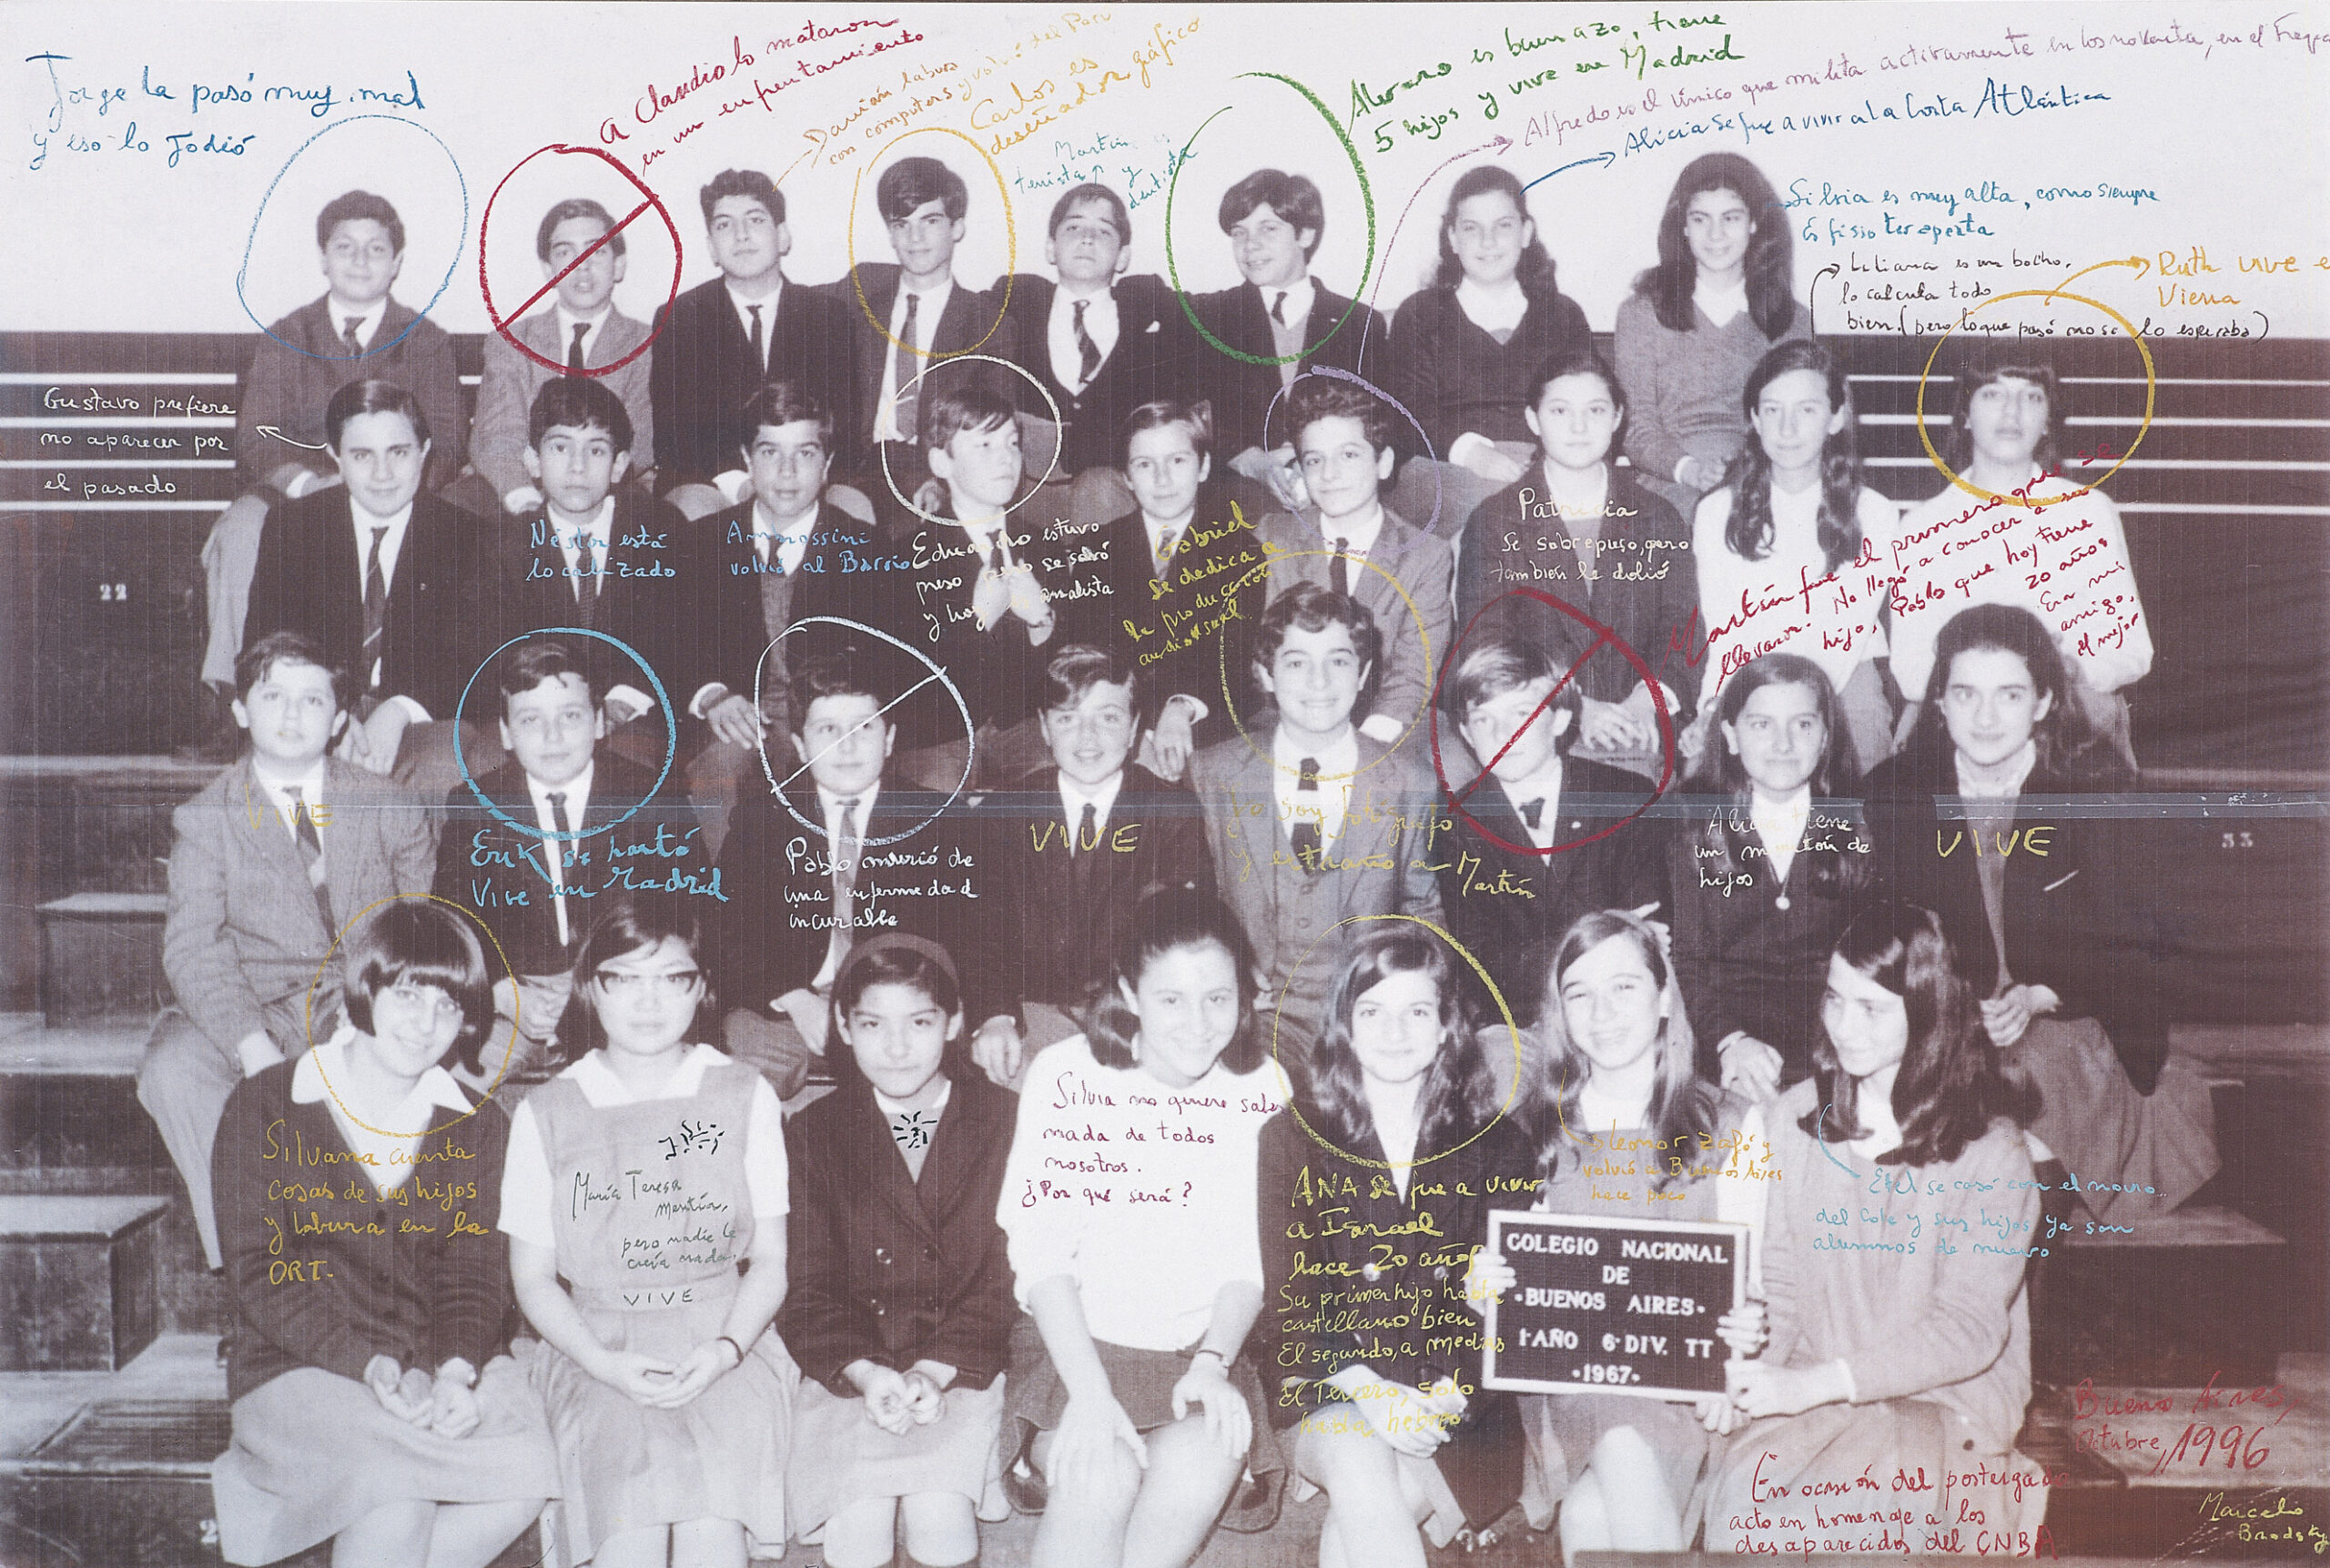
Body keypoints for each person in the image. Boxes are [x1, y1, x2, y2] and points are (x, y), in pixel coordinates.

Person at [209, 899, 555, 1568]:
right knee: (396, 1495)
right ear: (363, 988)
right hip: (300, 1364)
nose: (426, 1024)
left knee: (530, 1471)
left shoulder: (480, 1126)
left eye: (448, 1005)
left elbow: (474, 1276)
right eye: (407, 994)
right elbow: (261, 1273)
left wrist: (453, 1372)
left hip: (438, 1363)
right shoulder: (265, 1105)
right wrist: (371, 1364)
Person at [1703, 903, 2047, 1553]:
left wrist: (1816, 1385)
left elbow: (1967, 1328)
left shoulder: (1991, 1150)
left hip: (1943, 1400)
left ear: (1928, 1011)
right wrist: (1746, 1378)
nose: (1843, 1026)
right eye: (1835, 1000)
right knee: (1746, 1502)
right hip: (1812, 1395)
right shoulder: (1795, 1119)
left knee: (1871, 1502)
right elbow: (1780, 1284)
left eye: (1871, 1008)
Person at [1861, 604, 2219, 1218]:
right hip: (1944, 1016)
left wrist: (2038, 996)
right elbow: (1885, 929)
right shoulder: (1897, 790)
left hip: (2067, 1012)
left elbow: (2142, 945)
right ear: (1939, 702)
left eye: (2010, 694)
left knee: (2026, 1086)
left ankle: (2032, 1195)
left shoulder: (2097, 787)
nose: (1986, 717)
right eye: (1966, 693)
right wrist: (1951, 1002)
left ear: (2044, 701)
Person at [996, 888, 1292, 1568]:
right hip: (1077, 1348)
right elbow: (1041, 1256)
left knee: (1202, 1461)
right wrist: (1091, 1396)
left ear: (1246, 995)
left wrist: (1214, 1365)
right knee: (1098, 1481)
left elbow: (1250, 1262)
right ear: (1129, 991)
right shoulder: (1066, 1074)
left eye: (1218, 998)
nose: (1199, 1024)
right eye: (1171, 999)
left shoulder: (1264, 1087)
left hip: (1201, 1355)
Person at [502, 895, 796, 1568]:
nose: (648, 1000)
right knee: (628, 1531)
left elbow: (771, 1261)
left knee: (712, 1532)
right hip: (594, 1347)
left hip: (727, 1339)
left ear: (702, 987)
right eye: (624, 978)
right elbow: (533, 1278)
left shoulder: (745, 1093)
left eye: (672, 978)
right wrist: (602, 1363)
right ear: (590, 987)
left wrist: (724, 1350)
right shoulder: (546, 1110)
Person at [1469, 908, 1768, 1564]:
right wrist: (1486, 1291)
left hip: (1693, 1394)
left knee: (1590, 1517)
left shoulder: (1733, 1124)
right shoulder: (1533, 1131)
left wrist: (1743, 1335)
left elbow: (1752, 1281)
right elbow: (1525, 1294)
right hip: (1573, 1392)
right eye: (1579, 994)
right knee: (1622, 1441)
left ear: (1664, 997)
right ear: (1560, 1013)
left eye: (1623, 987)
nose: (1601, 1013)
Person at [139, 631, 434, 1270]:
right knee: (174, 1068)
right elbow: (193, 948)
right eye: (274, 697)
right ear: (241, 710)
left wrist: (375, 1014)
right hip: (263, 1009)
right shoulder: (206, 818)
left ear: (339, 719)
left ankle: (374, 1263)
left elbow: (423, 925)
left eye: (313, 699)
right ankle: (255, 1266)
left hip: (367, 1001)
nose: (293, 715)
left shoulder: (389, 803)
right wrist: (253, 1048)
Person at [1259, 926, 1529, 1566]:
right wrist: (1373, 1393)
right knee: (1359, 1460)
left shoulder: (1499, 1145)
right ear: (1345, 1027)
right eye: (1372, 1011)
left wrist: (1453, 1389)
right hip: (1330, 1381)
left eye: (1418, 1012)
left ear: (1446, 1028)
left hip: (1457, 1401)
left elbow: (1511, 1313)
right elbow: (1293, 1308)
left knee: (1354, 1529)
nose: (1395, 1031)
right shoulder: (1291, 1138)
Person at [781, 936, 1018, 1568]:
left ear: (955, 1022)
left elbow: (1008, 1279)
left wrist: (935, 1370)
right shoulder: (813, 1133)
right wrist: (865, 1372)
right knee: (858, 1529)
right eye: (872, 1024)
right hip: (853, 1366)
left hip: (965, 1361)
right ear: (842, 1026)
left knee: (941, 1517)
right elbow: (805, 1285)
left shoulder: (1005, 1121)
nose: (896, 1047)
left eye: (919, 1022)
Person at [198, 191, 466, 714]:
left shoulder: (426, 340)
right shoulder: (288, 335)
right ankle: (234, 698)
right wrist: (309, 484)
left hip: (394, 487)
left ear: (396, 262)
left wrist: (386, 487)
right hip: (303, 490)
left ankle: (406, 698)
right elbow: (257, 434)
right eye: (345, 247)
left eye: (376, 248)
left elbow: (450, 440)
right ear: (324, 258)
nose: (361, 260)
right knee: (242, 529)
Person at [711, 646, 1003, 1098]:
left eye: (864, 728)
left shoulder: (943, 820)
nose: (846, 746)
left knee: (954, 1085)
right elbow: (726, 933)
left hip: (901, 1016)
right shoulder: (761, 821)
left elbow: (981, 936)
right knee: (741, 1086)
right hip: (789, 1012)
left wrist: (997, 1016)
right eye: (827, 729)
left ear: (889, 740)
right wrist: (793, 996)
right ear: (800, 745)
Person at [1188, 584, 1446, 1068]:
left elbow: (1423, 910)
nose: (1319, 681)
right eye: (1296, 663)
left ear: (1363, 674)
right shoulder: (1212, 773)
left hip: (1364, 1022)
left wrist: (1407, 997)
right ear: (1265, 674)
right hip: (1250, 1019)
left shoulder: (1409, 782)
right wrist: (1224, 971)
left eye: (1339, 661)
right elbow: (1191, 901)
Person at [432, 639, 692, 1089]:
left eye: (570, 716)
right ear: (506, 733)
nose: (552, 737)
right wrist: (501, 990)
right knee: (446, 1087)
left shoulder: (653, 797)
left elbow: (689, 913)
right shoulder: (475, 804)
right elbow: (451, 919)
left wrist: (595, 986)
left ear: (598, 722)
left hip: (621, 994)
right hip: (515, 1000)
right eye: (530, 720)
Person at [1885, 349, 2153, 770]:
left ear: (2047, 421)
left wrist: (2063, 672)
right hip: (1961, 719)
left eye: (2031, 396)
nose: (2012, 411)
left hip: (2069, 713)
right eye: (1993, 394)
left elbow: (2131, 650)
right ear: (1965, 415)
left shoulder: (2089, 512)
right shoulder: (1922, 525)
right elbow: (1909, 665)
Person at [241, 379, 501, 794]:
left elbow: (475, 661)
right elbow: (266, 645)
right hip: (316, 711)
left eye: (398, 452)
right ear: (336, 458)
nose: (383, 474)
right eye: (362, 455)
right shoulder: (294, 528)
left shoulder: (467, 537)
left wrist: (398, 711)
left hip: (422, 716)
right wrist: (331, 714)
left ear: (424, 452)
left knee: (440, 768)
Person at [973, 643, 1216, 1088]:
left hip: (1134, 1020)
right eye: (1067, 719)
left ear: (1134, 728)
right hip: (1029, 1017)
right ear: (1044, 728)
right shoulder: (1004, 810)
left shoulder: (1171, 810)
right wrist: (996, 1017)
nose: (1087, 739)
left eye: (1108, 718)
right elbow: (985, 929)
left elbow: (1183, 935)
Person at [1454, 348, 1701, 756]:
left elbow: (1681, 627)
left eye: (1596, 410)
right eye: (1560, 411)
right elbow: (1487, 643)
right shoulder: (1494, 521)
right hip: (1536, 726)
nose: (1579, 427)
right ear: (1533, 420)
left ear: (1617, 418)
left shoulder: (1658, 517)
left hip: (1640, 725)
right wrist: (1576, 708)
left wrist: (1646, 702)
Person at [688, 380, 882, 855]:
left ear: (828, 465)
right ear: (747, 460)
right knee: (719, 771)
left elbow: (883, 662)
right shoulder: (700, 543)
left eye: (806, 454)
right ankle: (723, 900)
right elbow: (672, 643)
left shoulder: (867, 549)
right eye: (770, 452)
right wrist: (712, 694)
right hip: (737, 721)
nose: (787, 471)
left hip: (829, 724)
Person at [1669, 653, 1873, 1098]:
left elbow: (1868, 961)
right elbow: (1689, 959)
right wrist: (1731, 1042)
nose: (1783, 744)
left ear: (1826, 738)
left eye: (1803, 725)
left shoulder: (1860, 822)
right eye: (1762, 724)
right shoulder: (1691, 821)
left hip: (1835, 1039)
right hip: (1725, 1040)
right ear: (1731, 736)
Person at [1690, 340, 1898, 772]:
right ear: (1754, 419)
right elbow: (1723, 631)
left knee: (1864, 763)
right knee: (1700, 776)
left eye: (1806, 409)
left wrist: (1795, 713)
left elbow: (1844, 636)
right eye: (1772, 410)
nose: (1787, 429)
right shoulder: (1715, 511)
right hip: (1748, 675)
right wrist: (1712, 706)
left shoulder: (1874, 512)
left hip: (1843, 679)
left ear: (1835, 418)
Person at [1433, 635, 1666, 1014]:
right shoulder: (1458, 822)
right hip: (1522, 1018)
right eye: (1483, 719)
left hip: (1626, 1006)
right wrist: (1605, 938)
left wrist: (1544, 955)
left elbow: (1651, 932)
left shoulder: (1626, 797)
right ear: (1466, 734)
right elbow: (1481, 964)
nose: (1502, 734)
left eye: (1521, 713)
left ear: (1560, 719)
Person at [863, 381, 1076, 788]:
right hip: (937, 736)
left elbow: (1066, 671)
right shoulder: (905, 557)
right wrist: (977, 622)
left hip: (1022, 729)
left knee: (1053, 784)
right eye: (985, 445)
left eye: (1012, 444)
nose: (1006, 458)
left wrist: (1042, 621)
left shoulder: (1044, 544)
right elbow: (901, 683)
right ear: (941, 462)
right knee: (935, 795)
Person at [503, 374, 716, 769]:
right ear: (533, 460)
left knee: (625, 768)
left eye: (596, 450)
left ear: (619, 465)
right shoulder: (509, 543)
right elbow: (501, 650)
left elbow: (683, 637)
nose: (578, 467)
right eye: (560, 447)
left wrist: (626, 697)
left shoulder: (661, 529)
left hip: (639, 711)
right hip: (545, 716)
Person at [1386, 164, 1593, 541]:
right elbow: (1406, 414)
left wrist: (1546, 466)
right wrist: (1470, 453)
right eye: (1471, 228)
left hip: (1542, 466)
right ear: (1452, 238)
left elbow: (1587, 408)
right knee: (1502, 512)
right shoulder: (1418, 314)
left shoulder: (1564, 316)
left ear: (1525, 232)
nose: (1488, 241)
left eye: (1503, 226)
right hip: (1441, 467)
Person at [651, 168, 862, 517]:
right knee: (692, 508)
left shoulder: (828, 317)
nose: (741, 235)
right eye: (724, 225)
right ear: (711, 248)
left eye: (755, 220)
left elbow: (844, 428)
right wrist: (740, 483)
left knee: (852, 509)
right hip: (716, 484)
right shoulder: (681, 318)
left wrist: (799, 480)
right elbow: (676, 436)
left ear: (783, 237)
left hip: (808, 479)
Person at [1256, 375, 1454, 744]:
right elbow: (1255, 658)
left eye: (1348, 455)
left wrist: (1362, 749)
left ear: (1384, 463)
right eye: (1314, 460)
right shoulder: (1272, 538)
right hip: (1284, 725)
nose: (1329, 474)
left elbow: (1413, 674)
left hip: (1383, 726)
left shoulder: (1427, 556)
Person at [1613, 153, 1808, 519]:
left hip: (1761, 482)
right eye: (1700, 219)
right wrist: (1689, 470)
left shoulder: (1790, 319)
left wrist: (1746, 471)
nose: (1715, 235)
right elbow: (1635, 426)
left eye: (1730, 218)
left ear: (1754, 223)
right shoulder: (1641, 313)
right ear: (1683, 227)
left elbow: (1800, 423)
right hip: (1668, 487)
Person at [1190, 169, 1385, 519]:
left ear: (1305, 234)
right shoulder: (1210, 317)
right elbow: (1192, 418)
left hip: (1332, 484)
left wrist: (1307, 461)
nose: (1250, 245)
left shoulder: (1357, 322)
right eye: (1239, 232)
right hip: (1238, 494)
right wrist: (1252, 461)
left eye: (1268, 229)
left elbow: (1376, 421)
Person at [1089, 399, 1269, 780]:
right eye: (1144, 464)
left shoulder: (1240, 551)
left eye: (1177, 461)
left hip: (1208, 711)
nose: (1162, 479)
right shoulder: (1096, 551)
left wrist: (1179, 706)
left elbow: (1231, 658)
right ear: (1126, 477)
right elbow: (1096, 652)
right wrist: (1141, 729)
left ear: (1203, 467)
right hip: (1119, 717)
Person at [1003, 181, 1196, 531]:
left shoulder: (1150, 309)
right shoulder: (1014, 303)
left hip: (1110, 497)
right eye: (1073, 227)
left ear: (1123, 256)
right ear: (1050, 248)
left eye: (1104, 231)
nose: (1087, 238)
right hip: (1026, 490)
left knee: (1101, 491)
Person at [844, 153, 1026, 500]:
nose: (915, 237)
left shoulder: (988, 325)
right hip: (859, 474)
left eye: (930, 221)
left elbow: (994, 427)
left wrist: (942, 484)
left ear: (957, 227)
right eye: (902, 224)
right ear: (890, 233)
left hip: (937, 475)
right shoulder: (858, 302)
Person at [463, 196, 656, 518]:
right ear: (548, 269)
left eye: (597, 250)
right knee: (459, 506)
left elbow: (642, 438)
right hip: (519, 484)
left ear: (618, 265)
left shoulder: (647, 344)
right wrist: (524, 498)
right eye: (565, 252)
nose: (582, 265)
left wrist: (586, 492)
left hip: (611, 486)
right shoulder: (511, 342)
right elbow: (497, 435)